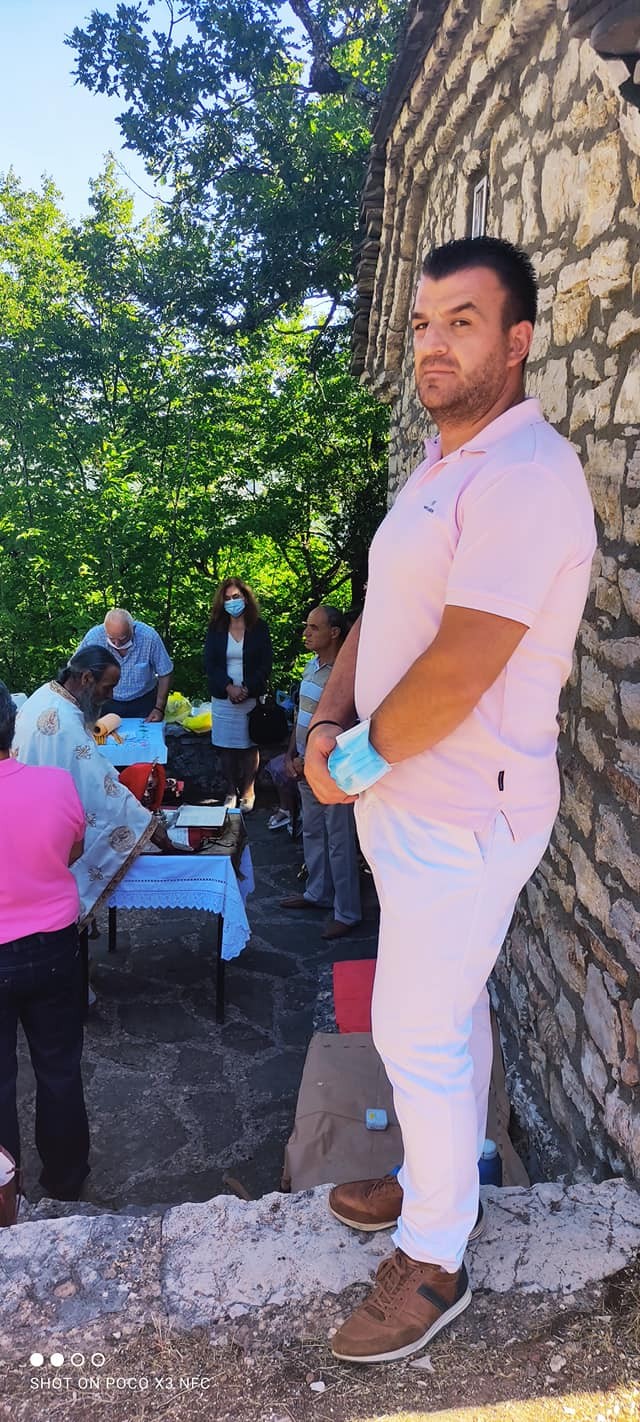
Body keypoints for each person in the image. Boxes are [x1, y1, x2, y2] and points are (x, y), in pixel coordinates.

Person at [305, 236, 596, 1363]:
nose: (432, 343)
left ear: (516, 341)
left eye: (461, 322)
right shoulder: (441, 467)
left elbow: (466, 661)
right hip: (407, 796)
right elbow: (382, 612)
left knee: (416, 1024)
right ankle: (446, 1174)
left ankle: (434, 1259)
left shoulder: (526, 476)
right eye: (423, 323)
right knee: (451, 1005)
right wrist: (330, 720)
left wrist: (350, 765)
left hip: (466, 809)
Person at [0, 681, 91, 1202]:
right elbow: (71, 850)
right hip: (53, 947)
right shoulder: (56, 784)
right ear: (11, 726)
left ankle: (5, 1195)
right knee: (59, 1069)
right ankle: (65, 1180)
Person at [12, 648, 163, 923]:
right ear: (86, 679)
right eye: (108, 687)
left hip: (24, 817)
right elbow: (96, 787)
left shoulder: (46, 694)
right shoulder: (65, 721)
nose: (111, 695)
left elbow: (87, 767)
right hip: (47, 829)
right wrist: (146, 823)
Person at [279, 606, 361, 941]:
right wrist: (291, 754)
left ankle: (347, 912)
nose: (306, 633)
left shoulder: (347, 674)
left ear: (335, 632)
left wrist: (310, 759)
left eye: (314, 628)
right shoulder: (312, 665)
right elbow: (302, 714)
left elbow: (349, 725)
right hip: (304, 765)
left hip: (332, 771)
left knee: (340, 840)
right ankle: (317, 893)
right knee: (312, 831)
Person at [204, 577, 273, 811]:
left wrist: (247, 688)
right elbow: (210, 664)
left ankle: (248, 790)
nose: (232, 602)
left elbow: (265, 664)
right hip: (223, 696)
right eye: (227, 598)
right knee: (226, 747)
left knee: (249, 745)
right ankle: (230, 791)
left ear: (245, 598)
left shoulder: (259, 627)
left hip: (250, 696)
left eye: (236, 597)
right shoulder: (215, 628)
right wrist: (228, 687)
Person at [76, 608, 173, 722]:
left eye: (123, 639)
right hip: (104, 701)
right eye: (112, 639)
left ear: (133, 629)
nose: (117, 644)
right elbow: (75, 670)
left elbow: (165, 673)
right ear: (105, 630)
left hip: (144, 701)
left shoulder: (149, 637)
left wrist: (159, 708)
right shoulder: (94, 638)